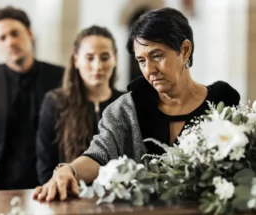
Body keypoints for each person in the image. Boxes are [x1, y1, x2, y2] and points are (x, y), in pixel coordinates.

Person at [33, 7, 240, 202]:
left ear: (185, 50)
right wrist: (69, 170)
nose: (149, 69)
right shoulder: (126, 108)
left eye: (157, 56)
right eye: (141, 61)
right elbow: (100, 155)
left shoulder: (222, 105)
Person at [0, 6, 64, 191]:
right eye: (2, 38)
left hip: (45, 183)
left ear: (30, 33)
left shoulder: (58, 77)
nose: (10, 42)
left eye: (15, 33)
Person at [36, 26, 123, 184]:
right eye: (89, 58)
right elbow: (45, 163)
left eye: (104, 57)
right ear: (76, 60)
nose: (97, 66)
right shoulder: (56, 102)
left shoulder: (126, 103)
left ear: (115, 59)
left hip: (118, 199)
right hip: (68, 197)